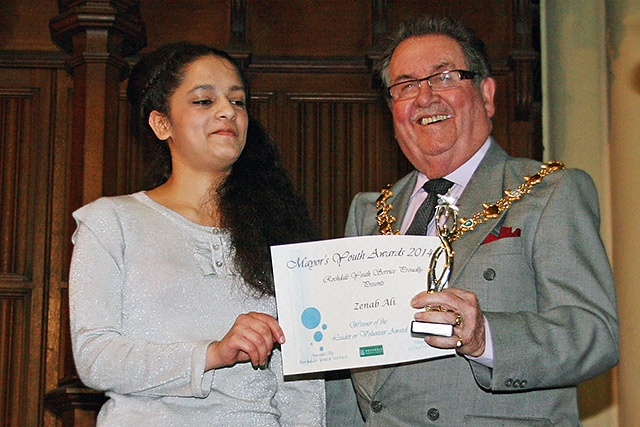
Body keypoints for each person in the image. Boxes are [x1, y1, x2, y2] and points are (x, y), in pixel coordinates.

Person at [326, 16, 618, 426]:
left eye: (444, 77)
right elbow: (346, 369)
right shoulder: (369, 212)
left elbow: (594, 334)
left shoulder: (549, 192)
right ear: (392, 109)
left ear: (486, 94)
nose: (424, 97)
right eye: (406, 85)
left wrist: (485, 338)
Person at [69, 42, 325, 426]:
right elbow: (96, 358)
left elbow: (302, 383)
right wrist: (211, 353)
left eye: (238, 102)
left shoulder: (280, 230)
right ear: (161, 123)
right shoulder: (112, 221)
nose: (228, 111)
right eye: (204, 101)